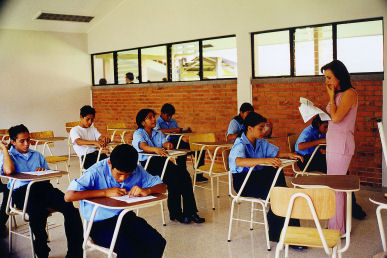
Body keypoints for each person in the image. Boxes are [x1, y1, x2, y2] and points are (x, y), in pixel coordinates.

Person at [65, 144, 166, 258]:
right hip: (99, 223)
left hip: (125, 217)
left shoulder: (136, 169)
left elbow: (162, 187)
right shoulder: (95, 171)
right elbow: (69, 196)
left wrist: (148, 190)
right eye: (119, 174)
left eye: (128, 175)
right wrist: (105, 192)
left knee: (157, 243)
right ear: (109, 163)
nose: (123, 178)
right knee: (130, 251)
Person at [0, 124, 83, 258]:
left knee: (71, 208)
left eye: (28, 139)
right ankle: (42, 250)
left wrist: (44, 173)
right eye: (22, 141)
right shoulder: (8, 156)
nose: (27, 144)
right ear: (13, 142)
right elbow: (8, 171)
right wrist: (4, 149)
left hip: (42, 188)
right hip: (21, 193)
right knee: (38, 212)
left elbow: (48, 178)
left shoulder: (37, 155)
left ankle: (75, 253)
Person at [228, 112, 304, 246]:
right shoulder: (240, 143)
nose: (264, 131)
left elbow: (275, 153)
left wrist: (289, 155)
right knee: (277, 194)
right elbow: (239, 161)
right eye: (261, 128)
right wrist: (265, 160)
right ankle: (280, 234)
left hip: (257, 178)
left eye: (264, 128)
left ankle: (290, 234)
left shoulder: (260, 142)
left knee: (282, 188)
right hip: (244, 183)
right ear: (249, 128)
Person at [132, 109, 205, 224]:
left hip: (163, 161)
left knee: (185, 176)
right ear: (142, 122)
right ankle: (176, 214)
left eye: (153, 117)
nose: (153, 119)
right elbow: (143, 146)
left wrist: (168, 145)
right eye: (150, 118)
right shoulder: (138, 133)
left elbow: (163, 143)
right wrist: (155, 149)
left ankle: (190, 212)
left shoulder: (157, 132)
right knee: (174, 180)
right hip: (149, 164)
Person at [322, 60, 366, 234]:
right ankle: (340, 224)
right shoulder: (340, 93)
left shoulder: (349, 93)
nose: (327, 82)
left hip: (341, 146)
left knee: (336, 187)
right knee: (336, 186)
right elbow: (333, 116)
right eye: (325, 78)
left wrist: (331, 97)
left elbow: (337, 118)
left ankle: (337, 229)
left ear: (340, 76)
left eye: (329, 78)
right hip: (334, 143)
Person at [155, 103, 207, 182]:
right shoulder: (157, 122)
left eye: (171, 116)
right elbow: (159, 131)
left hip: (178, 141)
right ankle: (182, 174)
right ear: (162, 113)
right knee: (182, 150)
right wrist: (176, 130)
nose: (169, 118)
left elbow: (178, 132)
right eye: (168, 115)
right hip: (167, 143)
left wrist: (183, 134)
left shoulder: (173, 121)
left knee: (199, 149)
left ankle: (199, 175)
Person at [70, 105, 111, 169]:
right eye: (88, 119)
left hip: (97, 154)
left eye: (92, 120)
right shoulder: (75, 130)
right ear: (81, 117)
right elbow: (78, 142)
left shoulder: (92, 129)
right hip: (86, 158)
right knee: (106, 167)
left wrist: (105, 139)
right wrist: (95, 142)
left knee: (114, 163)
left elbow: (100, 137)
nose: (90, 122)